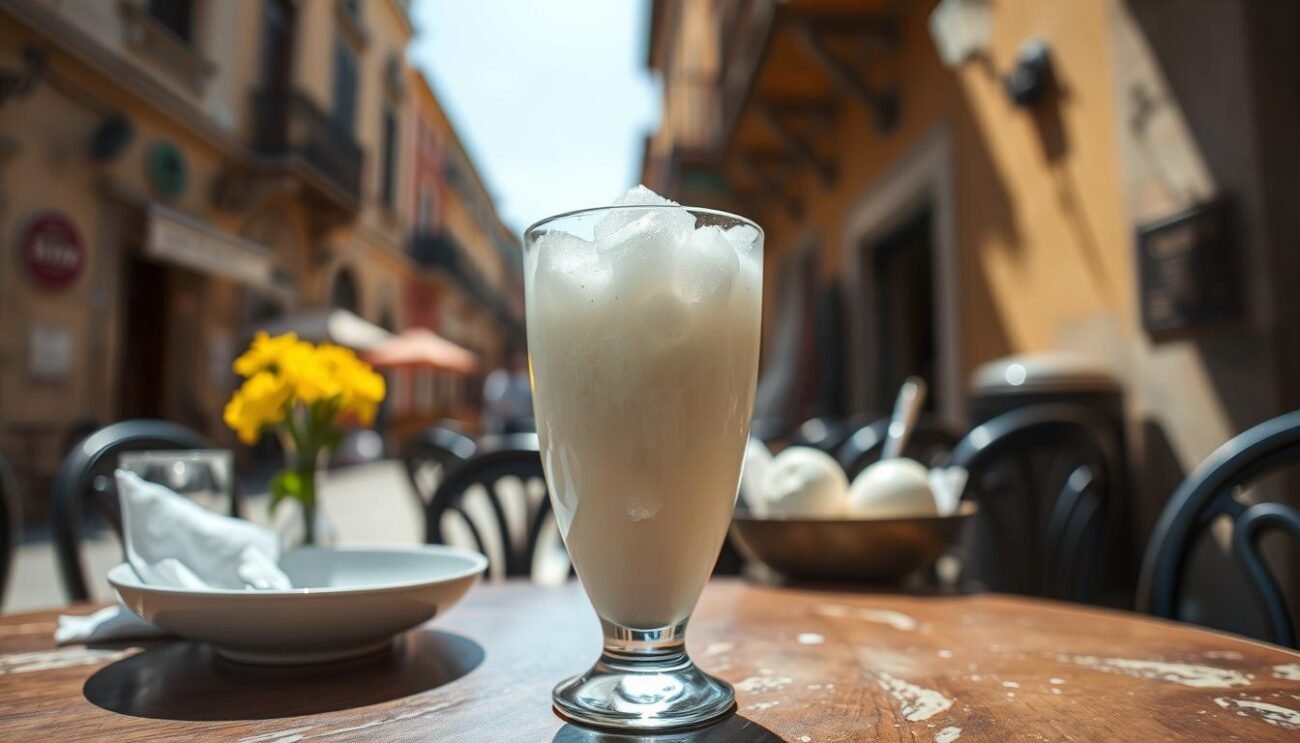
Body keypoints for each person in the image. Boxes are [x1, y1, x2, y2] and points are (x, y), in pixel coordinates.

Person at [482, 351, 533, 435]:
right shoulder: (496, 378)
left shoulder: (524, 379)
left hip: (521, 428)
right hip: (499, 428)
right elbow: (493, 403)